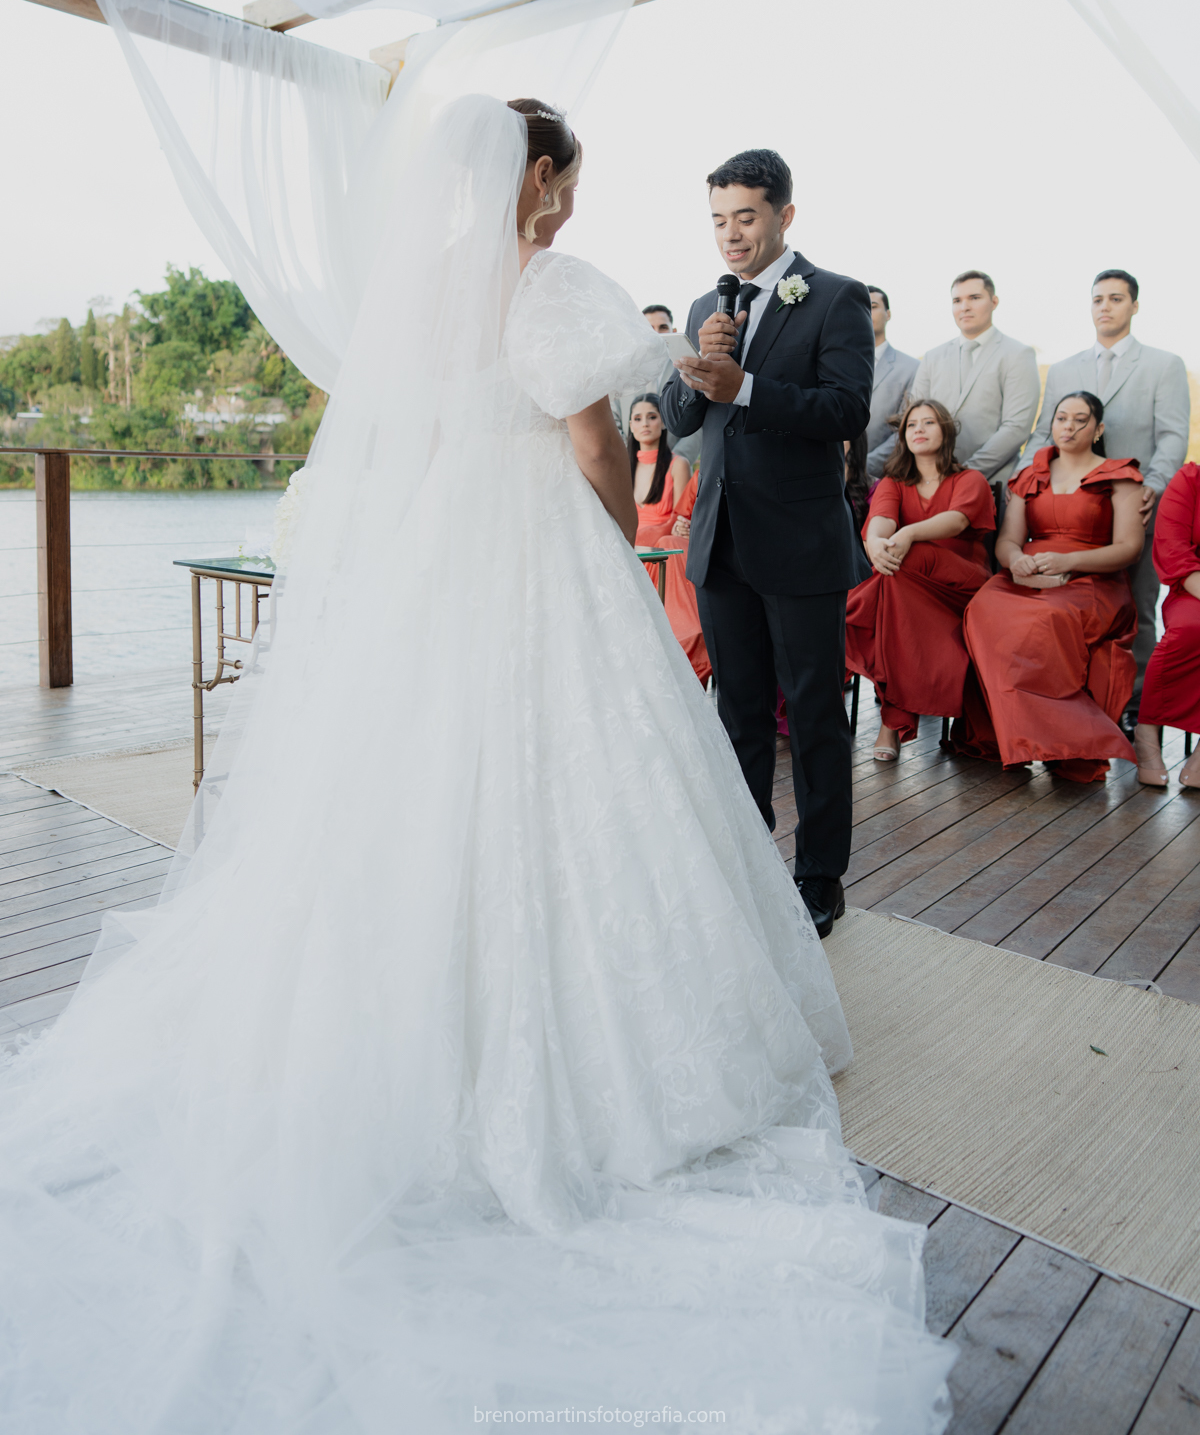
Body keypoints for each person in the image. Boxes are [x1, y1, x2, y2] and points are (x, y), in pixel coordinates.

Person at [0, 95, 951, 1430]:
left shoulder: (430, 285)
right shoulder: (557, 282)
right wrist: (621, 543)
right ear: (547, 177)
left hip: (443, 551)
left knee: (419, 783)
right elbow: (590, 446)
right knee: (588, 775)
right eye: (572, 174)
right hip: (541, 548)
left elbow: (423, 439)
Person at [660, 148, 874, 940]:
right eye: (718, 220)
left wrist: (746, 387)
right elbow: (680, 419)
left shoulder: (833, 298)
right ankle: (748, 861)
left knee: (815, 712)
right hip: (721, 542)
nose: (730, 235)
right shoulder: (701, 307)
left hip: (801, 542)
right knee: (738, 712)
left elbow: (847, 411)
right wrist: (700, 370)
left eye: (745, 217)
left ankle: (820, 875)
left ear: (785, 215)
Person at [1027, 270, 1190, 720]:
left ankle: (1136, 705)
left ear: (1134, 306)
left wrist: (1152, 487)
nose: (1105, 307)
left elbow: (1173, 436)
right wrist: (1027, 478)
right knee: (1068, 601)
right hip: (1071, 508)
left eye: (1116, 299)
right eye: (1098, 299)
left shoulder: (1164, 364)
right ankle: (1074, 695)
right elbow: (1044, 431)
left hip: (1134, 506)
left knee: (1136, 606)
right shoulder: (1064, 369)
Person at [957, 392, 1144, 783]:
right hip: (1027, 575)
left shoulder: (1119, 476)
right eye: (1062, 418)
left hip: (1093, 579)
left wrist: (1069, 562)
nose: (1069, 427)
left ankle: (1060, 742)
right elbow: (1009, 540)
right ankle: (1007, 736)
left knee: (1047, 618)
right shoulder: (1032, 474)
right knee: (984, 608)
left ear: (1099, 429)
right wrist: (1015, 560)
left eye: (1080, 419)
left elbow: (1128, 548)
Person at [847, 400, 995, 762]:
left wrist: (907, 534)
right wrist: (875, 543)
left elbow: (958, 522)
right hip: (908, 590)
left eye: (929, 422)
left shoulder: (969, 480)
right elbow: (880, 521)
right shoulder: (894, 483)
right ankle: (895, 719)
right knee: (894, 576)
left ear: (946, 431)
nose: (919, 429)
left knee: (887, 576)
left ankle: (892, 722)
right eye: (912, 424)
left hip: (959, 586)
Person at [908, 270, 1040, 494]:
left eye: (974, 298)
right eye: (957, 300)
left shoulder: (1018, 354)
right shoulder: (932, 357)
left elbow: (1016, 427)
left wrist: (966, 472)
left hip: (991, 483)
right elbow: (912, 416)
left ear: (994, 301)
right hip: (929, 483)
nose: (964, 307)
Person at [628, 391, 711, 685]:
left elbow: (679, 519)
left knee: (662, 542)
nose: (645, 424)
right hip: (632, 543)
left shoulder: (677, 464)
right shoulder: (625, 467)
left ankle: (682, 638)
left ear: (663, 424)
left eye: (652, 417)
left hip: (662, 542)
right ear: (630, 426)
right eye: (637, 418)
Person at [1134, 460, 1200, 788]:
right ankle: (1147, 728)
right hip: (1193, 587)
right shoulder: (1190, 480)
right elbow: (1173, 548)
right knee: (1191, 629)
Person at [613, 303, 702, 466]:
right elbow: (614, 418)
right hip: (630, 465)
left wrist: (677, 460)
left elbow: (697, 418)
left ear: (673, 331)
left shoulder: (688, 366)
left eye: (662, 327)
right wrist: (629, 459)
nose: (656, 334)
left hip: (673, 466)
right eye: (649, 328)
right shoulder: (622, 372)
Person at [864, 286, 918, 480]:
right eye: (858, 306)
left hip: (887, 476)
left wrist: (862, 466)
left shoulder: (912, 368)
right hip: (834, 475)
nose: (864, 311)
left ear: (888, 314)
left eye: (872, 305)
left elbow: (907, 428)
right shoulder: (834, 364)